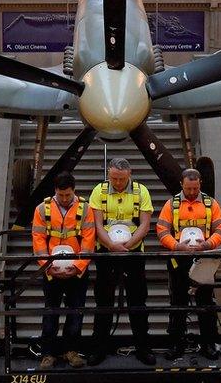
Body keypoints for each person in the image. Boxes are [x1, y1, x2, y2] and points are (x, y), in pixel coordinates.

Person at [87, 158, 156, 366]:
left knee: (138, 301)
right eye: (114, 178)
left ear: (130, 174)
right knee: (103, 302)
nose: (117, 183)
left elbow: (145, 225)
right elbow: (96, 224)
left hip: (133, 254)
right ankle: (99, 349)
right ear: (109, 174)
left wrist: (127, 246)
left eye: (121, 179)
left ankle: (143, 348)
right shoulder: (99, 191)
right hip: (106, 254)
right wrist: (111, 245)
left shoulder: (141, 191)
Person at [155, 168, 221, 361]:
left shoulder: (210, 204)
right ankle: (176, 344)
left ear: (200, 184)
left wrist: (208, 244)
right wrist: (177, 246)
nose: (192, 192)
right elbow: (162, 230)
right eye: (189, 189)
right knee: (178, 304)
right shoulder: (171, 205)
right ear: (182, 185)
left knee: (206, 304)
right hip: (179, 259)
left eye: (195, 188)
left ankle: (209, 344)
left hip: (203, 259)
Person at [31, 172, 95, 369]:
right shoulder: (42, 209)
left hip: (77, 272)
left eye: (68, 195)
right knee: (50, 312)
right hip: (52, 272)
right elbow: (38, 240)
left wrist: (78, 267)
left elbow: (88, 240)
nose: (65, 199)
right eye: (61, 195)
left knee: (76, 312)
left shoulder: (85, 209)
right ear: (55, 191)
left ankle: (71, 352)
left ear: (73, 190)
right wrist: (48, 268)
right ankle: (48, 354)